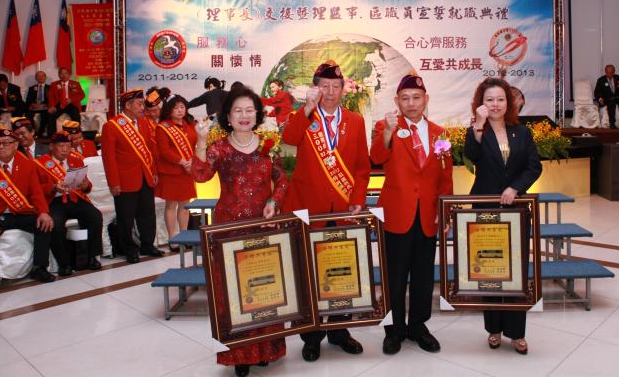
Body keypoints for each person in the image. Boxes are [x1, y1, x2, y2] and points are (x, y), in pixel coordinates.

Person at [192, 85, 287, 377]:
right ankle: (240, 353)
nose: (244, 116)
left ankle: (265, 349)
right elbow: (200, 175)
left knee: (264, 286)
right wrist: (200, 140)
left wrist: (273, 201)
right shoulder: (219, 147)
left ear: (257, 114)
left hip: (263, 226)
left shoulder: (269, 143)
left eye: (249, 110)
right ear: (228, 116)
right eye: (238, 111)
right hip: (229, 228)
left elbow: (282, 179)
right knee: (233, 290)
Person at [282, 60, 370, 362]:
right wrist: (306, 109)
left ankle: (339, 331)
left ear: (344, 89)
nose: (330, 92)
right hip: (309, 208)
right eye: (324, 86)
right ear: (315, 88)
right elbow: (288, 140)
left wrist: (358, 198)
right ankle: (311, 336)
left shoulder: (355, 121)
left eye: (335, 86)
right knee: (310, 274)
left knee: (342, 271)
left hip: (342, 208)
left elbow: (361, 167)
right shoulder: (304, 117)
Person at [370, 72, 453, 356]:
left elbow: (445, 177)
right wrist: (388, 132)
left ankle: (418, 326)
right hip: (397, 214)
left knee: (423, 275)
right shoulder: (386, 127)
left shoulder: (440, 133)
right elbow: (377, 158)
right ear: (397, 101)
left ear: (426, 99)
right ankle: (393, 330)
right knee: (394, 276)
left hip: (427, 216)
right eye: (405, 98)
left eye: (416, 97)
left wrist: (445, 210)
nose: (411, 103)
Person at [463, 77, 542, 355]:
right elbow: (470, 156)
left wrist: (515, 188)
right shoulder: (476, 130)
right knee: (490, 270)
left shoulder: (522, 132)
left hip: (515, 210)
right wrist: (478, 124)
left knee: (516, 272)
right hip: (485, 210)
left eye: (500, 99)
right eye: (489, 100)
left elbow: (534, 167)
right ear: (480, 103)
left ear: (508, 103)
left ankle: (517, 333)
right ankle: (493, 329)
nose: (495, 104)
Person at [0, 128, 55, 301]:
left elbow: (35, 192)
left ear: (16, 145)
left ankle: (39, 267)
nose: (0, 147)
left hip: (20, 212)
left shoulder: (27, 164)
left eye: (5, 143)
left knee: (44, 224)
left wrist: (43, 212)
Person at [100, 89, 162, 264]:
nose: (143, 107)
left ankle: (147, 245)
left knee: (147, 214)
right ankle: (129, 249)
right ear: (128, 105)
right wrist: (113, 182)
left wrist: (153, 171)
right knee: (125, 217)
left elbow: (149, 150)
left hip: (145, 176)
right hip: (124, 180)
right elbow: (108, 158)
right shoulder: (112, 126)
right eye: (139, 104)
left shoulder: (143, 123)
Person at [36, 131, 102, 275]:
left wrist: (85, 185)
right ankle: (64, 263)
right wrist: (53, 187)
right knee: (55, 224)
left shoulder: (76, 160)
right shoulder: (40, 163)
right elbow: (36, 189)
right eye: (61, 146)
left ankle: (92, 257)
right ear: (51, 146)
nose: (65, 150)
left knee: (95, 216)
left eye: (68, 146)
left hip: (75, 198)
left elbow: (87, 185)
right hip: (55, 201)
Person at [155, 94, 197, 252]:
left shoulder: (188, 125)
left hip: (187, 171)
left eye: (182, 107)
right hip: (172, 171)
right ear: (169, 110)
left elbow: (194, 145)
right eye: (176, 107)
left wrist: (192, 161)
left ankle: (184, 235)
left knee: (185, 205)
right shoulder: (163, 127)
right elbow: (164, 150)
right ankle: (173, 238)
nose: (180, 110)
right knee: (171, 205)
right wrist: (182, 162)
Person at [48, 67, 84, 132]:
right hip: (59, 104)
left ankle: (77, 133)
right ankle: (53, 135)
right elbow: (51, 96)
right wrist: (52, 106)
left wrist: (71, 99)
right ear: (59, 75)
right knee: (51, 115)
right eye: (61, 73)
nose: (64, 75)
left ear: (69, 75)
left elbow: (82, 95)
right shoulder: (54, 84)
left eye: (66, 73)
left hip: (71, 104)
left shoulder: (75, 84)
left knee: (75, 114)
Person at [25, 70, 51, 138]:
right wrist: (32, 104)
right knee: (28, 114)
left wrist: (45, 105)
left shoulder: (50, 88)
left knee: (45, 115)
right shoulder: (31, 88)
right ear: (36, 78)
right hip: (34, 107)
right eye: (38, 76)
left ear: (45, 77)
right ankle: (33, 131)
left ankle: (40, 132)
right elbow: (28, 100)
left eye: (42, 76)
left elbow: (52, 100)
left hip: (45, 107)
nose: (40, 77)